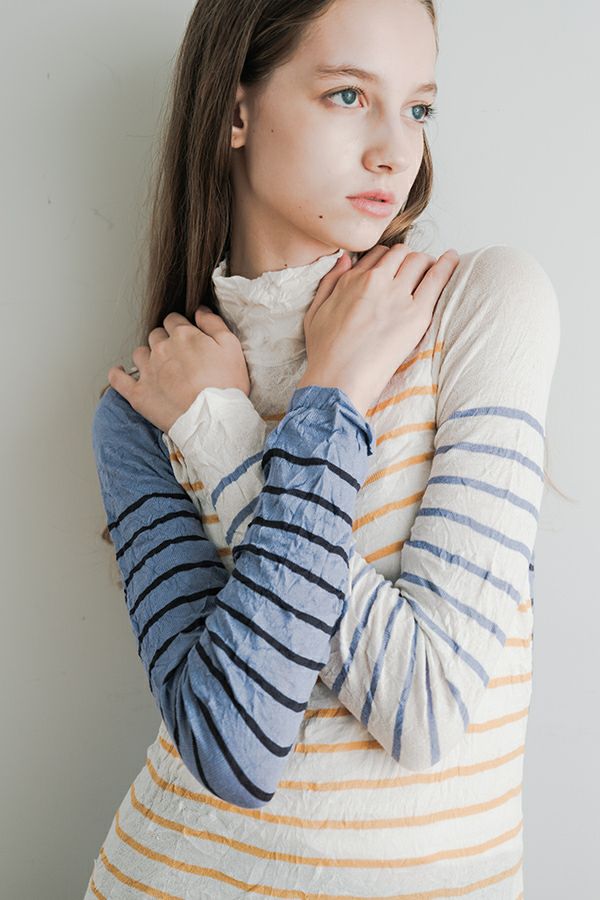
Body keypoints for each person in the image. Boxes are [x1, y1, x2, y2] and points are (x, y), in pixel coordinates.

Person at [85, 0, 560, 896]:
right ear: (235, 111)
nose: (395, 150)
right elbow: (233, 747)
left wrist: (232, 439)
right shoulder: (147, 402)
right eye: (348, 95)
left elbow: (426, 708)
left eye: (418, 107)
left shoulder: (480, 306)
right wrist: (323, 395)